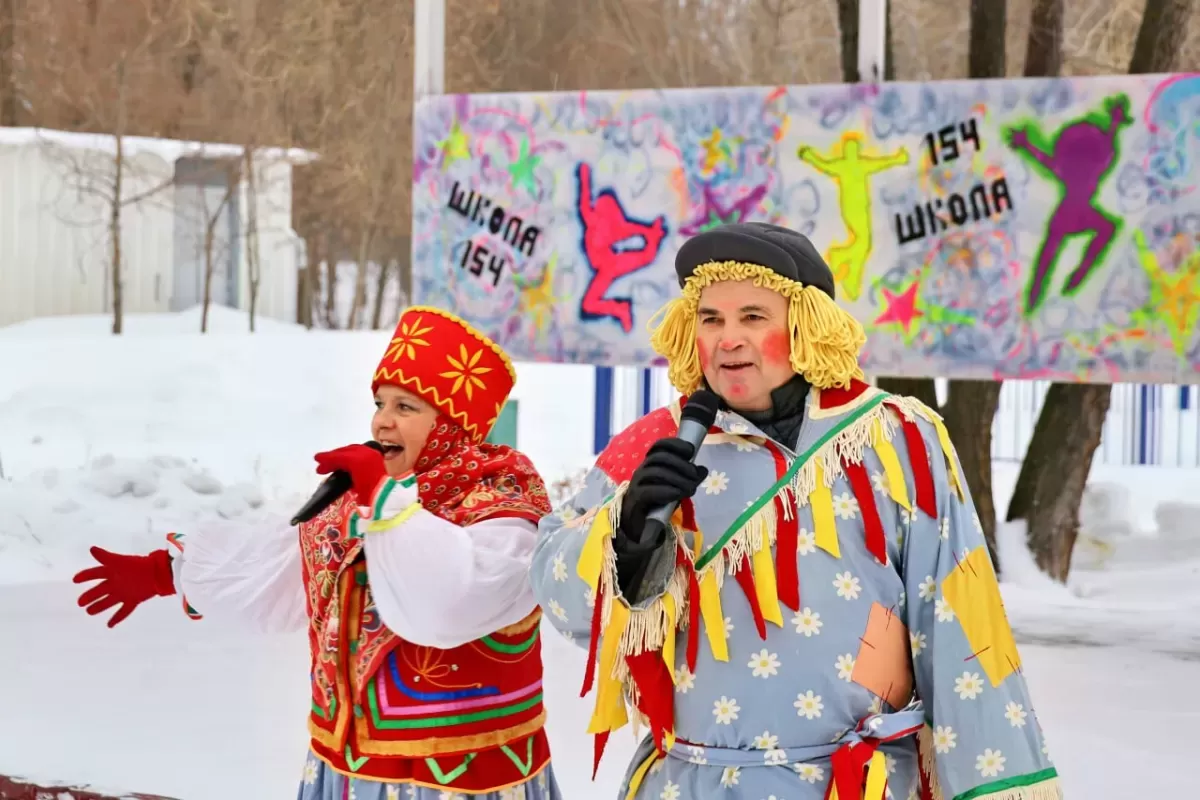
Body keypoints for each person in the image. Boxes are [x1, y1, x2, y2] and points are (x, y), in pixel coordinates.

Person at [531, 223, 1059, 800]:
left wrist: (991, 786)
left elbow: (960, 622)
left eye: (753, 317)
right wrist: (627, 535)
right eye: (711, 319)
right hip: (688, 784)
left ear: (806, 325)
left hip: (851, 784)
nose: (728, 339)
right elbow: (561, 598)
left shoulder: (894, 438)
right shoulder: (657, 445)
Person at [73, 306, 562, 800]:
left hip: (459, 778)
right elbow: (282, 567)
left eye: (406, 408)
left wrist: (383, 501)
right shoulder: (366, 499)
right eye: (380, 403)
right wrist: (167, 572)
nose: (383, 422)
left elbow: (447, 602)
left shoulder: (504, 509)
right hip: (348, 771)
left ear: (453, 424)